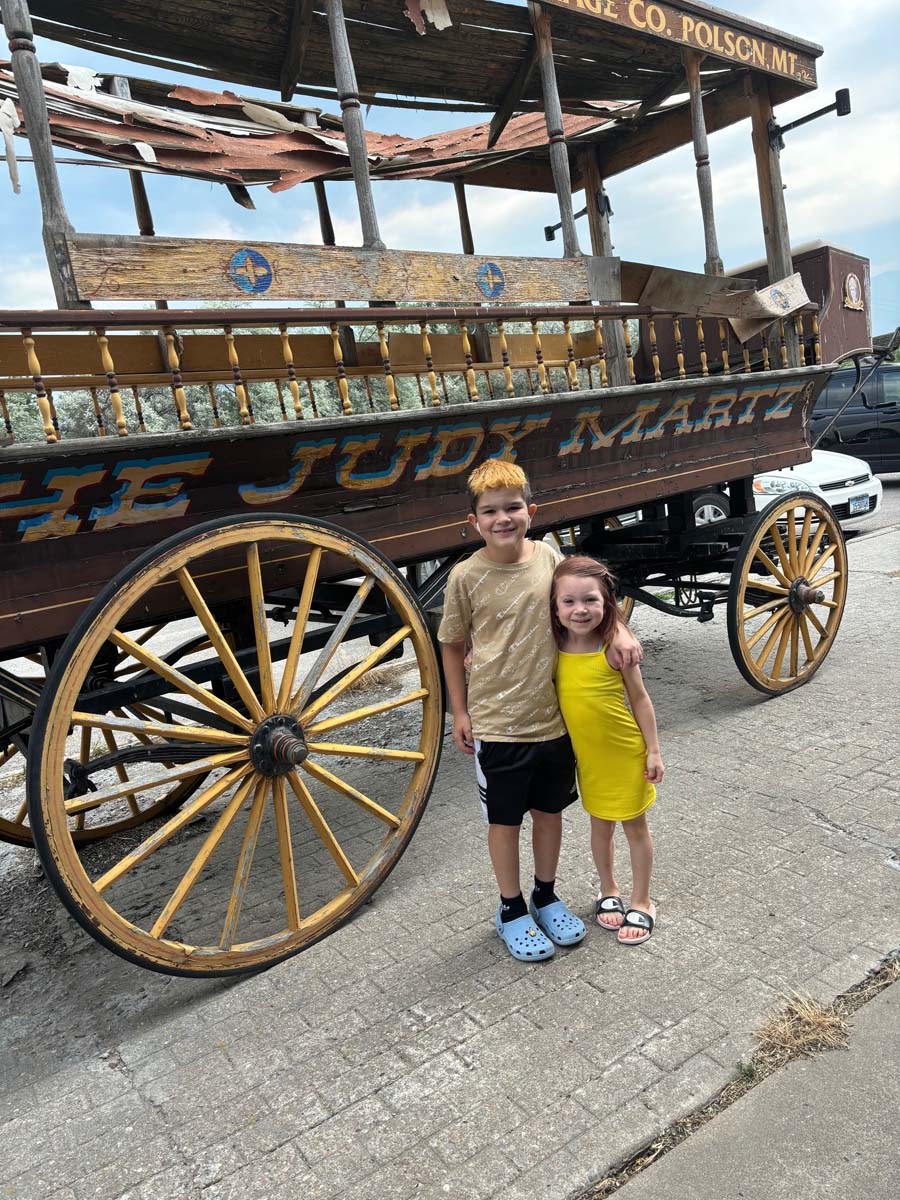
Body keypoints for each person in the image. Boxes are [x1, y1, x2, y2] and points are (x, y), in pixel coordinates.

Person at [438, 461, 641, 962]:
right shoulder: (465, 577)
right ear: (474, 521)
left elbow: (590, 597)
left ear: (531, 511)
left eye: (512, 507)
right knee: (505, 821)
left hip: (554, 720)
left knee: (550, 814)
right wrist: (459, 711)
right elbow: (452, 644)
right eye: (490, 511)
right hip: (498, 725)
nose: (502, 518)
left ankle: (545, 895)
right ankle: (510, 908)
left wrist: (620, 630)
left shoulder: (549, 558)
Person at [551, 556, 664, 946]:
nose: (580, 610)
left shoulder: (614, 650)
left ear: (607, 603)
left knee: (635, 828)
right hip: (589, 762)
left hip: (626, 755)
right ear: (555, 607)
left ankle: (642, 900)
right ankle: (608, 889)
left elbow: (641, 699)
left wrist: (653, 750)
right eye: (569, 602)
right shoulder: (554, 646)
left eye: (590, 600)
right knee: (599, 828)